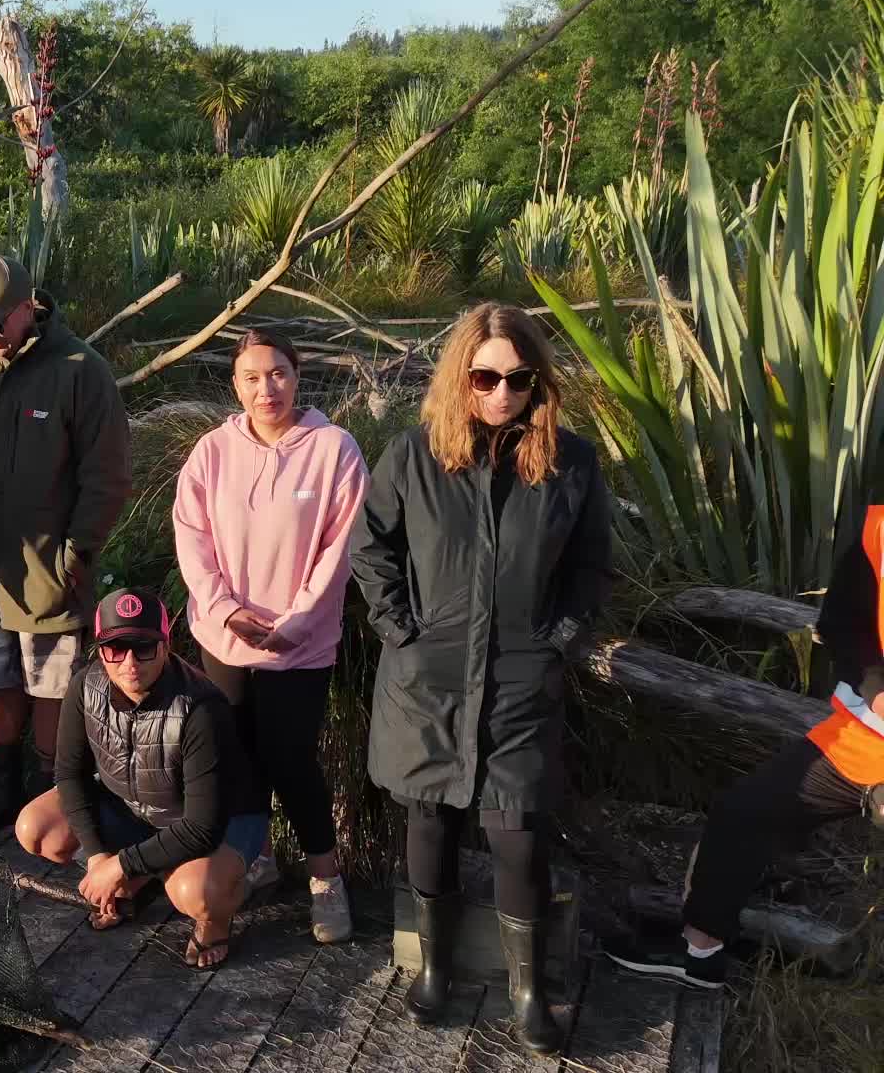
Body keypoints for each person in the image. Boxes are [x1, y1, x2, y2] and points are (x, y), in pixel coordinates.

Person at [349, 303, 612, 1056]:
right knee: (428, 820)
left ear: (538, 382)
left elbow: (592, 567)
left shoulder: (571, 462)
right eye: (485, 377)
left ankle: (528, 989)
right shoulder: (414, 455)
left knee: (517, 832)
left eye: (518, 379)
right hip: (427, 678)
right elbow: (370, 547)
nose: (502, 393)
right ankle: (435, 968)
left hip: (521, 680)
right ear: (459, 377)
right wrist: (402, 630)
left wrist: (556, 641)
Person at [606, 502, 884, 990]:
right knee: (743, 813)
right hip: (858, 744)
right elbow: (842, 621)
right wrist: (875, 685)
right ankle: (701, 952)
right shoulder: (878, 528)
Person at [172, 328, 368, 944]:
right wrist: (225, 610)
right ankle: (257, 858)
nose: (267, 389)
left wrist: (297, 622)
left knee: (292, 759)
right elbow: (192, 536)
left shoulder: (334, 449)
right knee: (237, 755)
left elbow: (342, 546)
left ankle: (325, 879)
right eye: (252, 377)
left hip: (301, 644)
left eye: (278, 373)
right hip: (223, 637)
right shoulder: (212, 451)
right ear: (236, 385)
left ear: (297, 375)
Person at [0, 254, 133, 843]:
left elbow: (107, 477)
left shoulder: (80, 370)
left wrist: (77, 555)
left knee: (52, 686)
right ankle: (1, 794)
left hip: (52, 570)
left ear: (28, 306)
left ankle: (50, 803)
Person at [15, 587, 269, 970]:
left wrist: (119, 866)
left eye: (144, 647)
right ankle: (141, 878)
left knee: (196, 892)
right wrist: (98, 857)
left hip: (221, 820)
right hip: (135, 808)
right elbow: (69, 775)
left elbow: (201, 827)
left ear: (166, 646)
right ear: (100, 651)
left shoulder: (201, 707)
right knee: (36, 829)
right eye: (116, 649)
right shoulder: (84, 686)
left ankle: (215, 920)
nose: (129, 663)